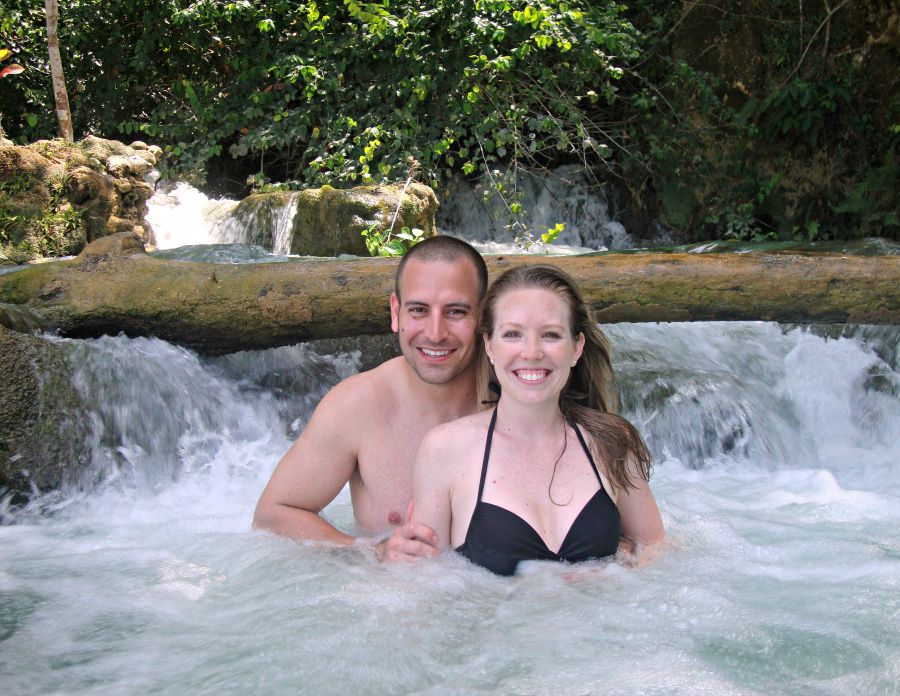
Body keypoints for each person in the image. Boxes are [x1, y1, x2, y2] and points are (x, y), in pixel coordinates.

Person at [411, 264, 665, 576]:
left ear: (577, 347)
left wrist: (622, 573)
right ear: (489, 345)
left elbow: (660, 553)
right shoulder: (445, 450)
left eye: (550, 335)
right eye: (513, 334)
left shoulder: (611, 442)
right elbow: (423, 586)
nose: (531, 353)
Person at [252, 235, 489, 561]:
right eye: (418, 310)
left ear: (484, 316)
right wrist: (370, 551)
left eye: (456, 311)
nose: (435, 332)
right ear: (396, 312)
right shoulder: (358, 405)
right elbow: (271, 516)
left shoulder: (518, 401)